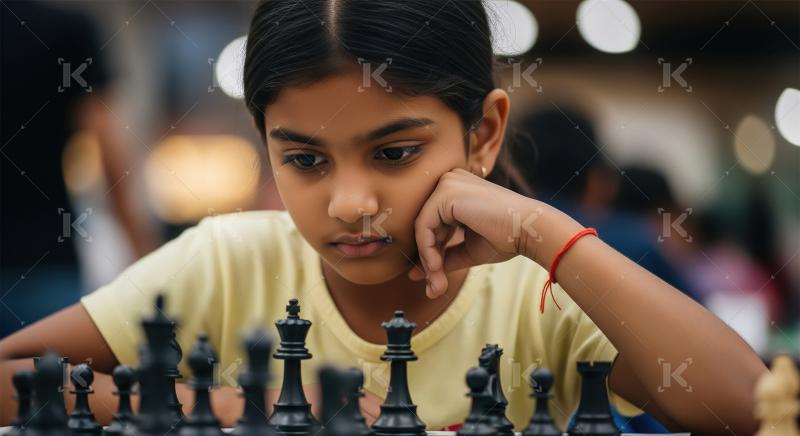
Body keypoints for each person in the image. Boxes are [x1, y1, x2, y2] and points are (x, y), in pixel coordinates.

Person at [0, 0, 766, 433]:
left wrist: (545, 232)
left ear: (485, 133)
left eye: (395, 153)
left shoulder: (543, 291)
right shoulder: (228, 260)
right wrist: (222, 402)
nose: (349, 203)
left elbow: (750, 412)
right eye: (304, 158)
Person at [0, 1, 159, 337]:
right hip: (45, 268)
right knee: (56, 385)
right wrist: (145, 263)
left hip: (46, 272)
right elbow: (112, 158)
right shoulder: (67, 29)